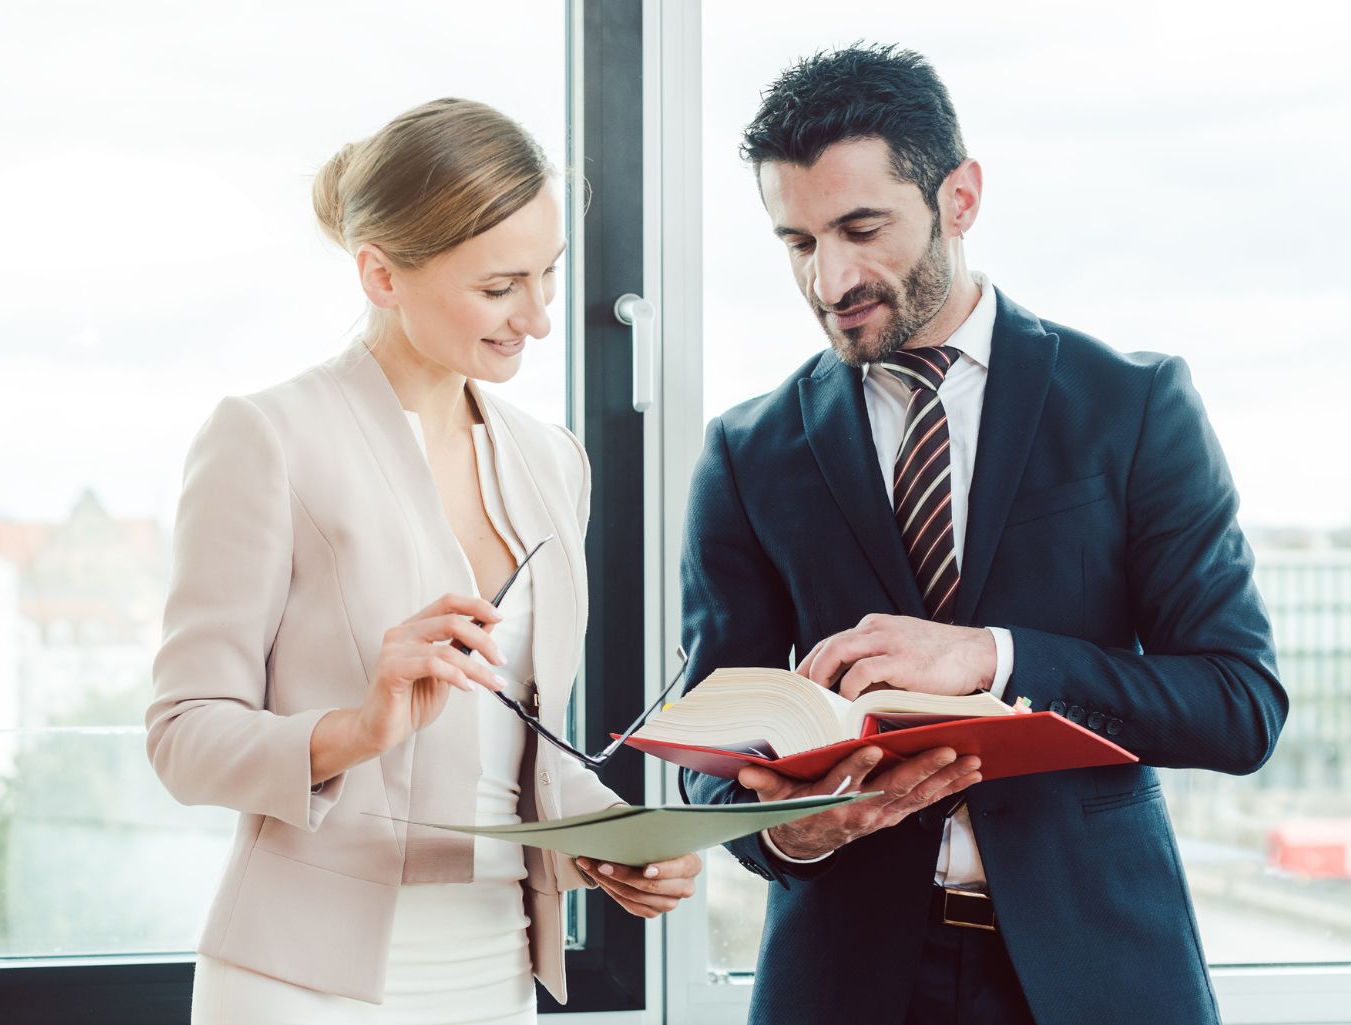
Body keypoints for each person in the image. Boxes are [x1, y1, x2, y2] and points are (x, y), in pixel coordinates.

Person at [679, 45, 1286, 1025]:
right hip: (844, 981)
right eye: (798, 242)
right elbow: (709, 758)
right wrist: (792, 831)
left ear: (959, 196)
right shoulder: (751, 452)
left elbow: (1239, 702)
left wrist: (993, 657)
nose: (832, 278)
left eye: (861, 228)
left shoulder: (1129, 406)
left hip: (1100, 971)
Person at [147, 97, 700, 1025]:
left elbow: (516, 745)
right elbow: (183, 737)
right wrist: (357, 729)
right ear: (380, 275)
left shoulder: (552, 459)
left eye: (549, 275)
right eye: (499, 287)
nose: (539, 318)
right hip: (305, 976)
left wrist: (614, 837)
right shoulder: (268, 438)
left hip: (496, 963)